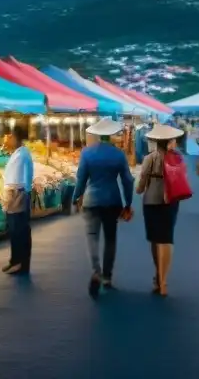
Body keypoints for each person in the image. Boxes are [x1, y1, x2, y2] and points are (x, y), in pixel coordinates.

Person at [73, 118, 135, 298]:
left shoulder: (87, 153)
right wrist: (128, 203)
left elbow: (81, 178)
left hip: (91, 201)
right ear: (112, 134)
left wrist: (76, 196)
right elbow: (127, 180)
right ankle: (107, 277)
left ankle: (95, 271)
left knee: (92, 237)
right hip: (112, 201)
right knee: (110, 239)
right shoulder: (118, 154)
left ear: (98, 134)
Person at [136, 123, 185, 297]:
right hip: (171, 200)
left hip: (151, 201)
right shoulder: (178, 158)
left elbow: (140, 186)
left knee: (155, 239)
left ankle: (158, 275)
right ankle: (164, 281)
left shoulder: (150, 158)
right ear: (171, 141)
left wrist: (140, 188)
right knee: (167, 238)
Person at [2, 126, 34, 275]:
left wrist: (18, 195)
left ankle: (21, 263)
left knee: (19, 230)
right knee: (14, 230)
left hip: (18, 195)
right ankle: (14, 260)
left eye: (11, 136)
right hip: (14, 194)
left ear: (17, 137)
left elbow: (22, 178)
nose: (9, 139)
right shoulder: (18, 153)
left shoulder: (22, 155)